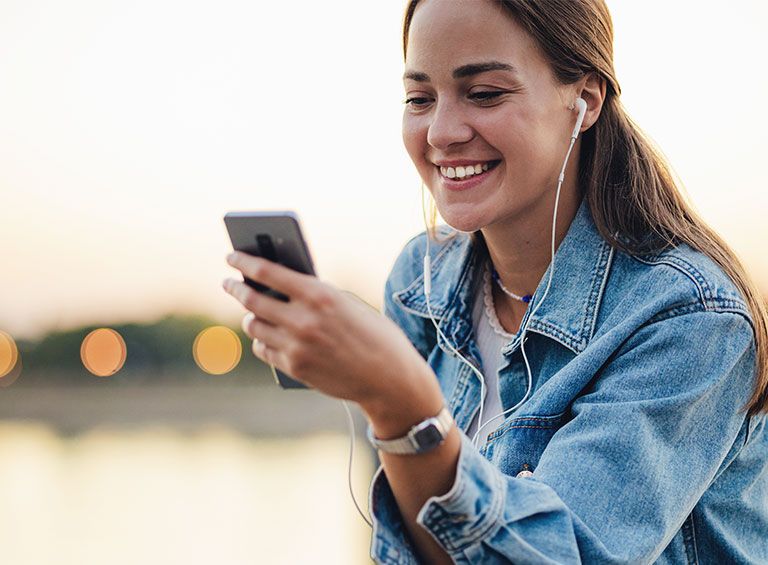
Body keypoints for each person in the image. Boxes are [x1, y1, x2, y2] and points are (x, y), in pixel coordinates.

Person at [222, 0, 768, 562]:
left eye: (484, 93)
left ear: (585, 101)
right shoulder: (421, 282)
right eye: (419, 99)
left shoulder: (689, 319)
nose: (441, 131)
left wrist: (405, 409)